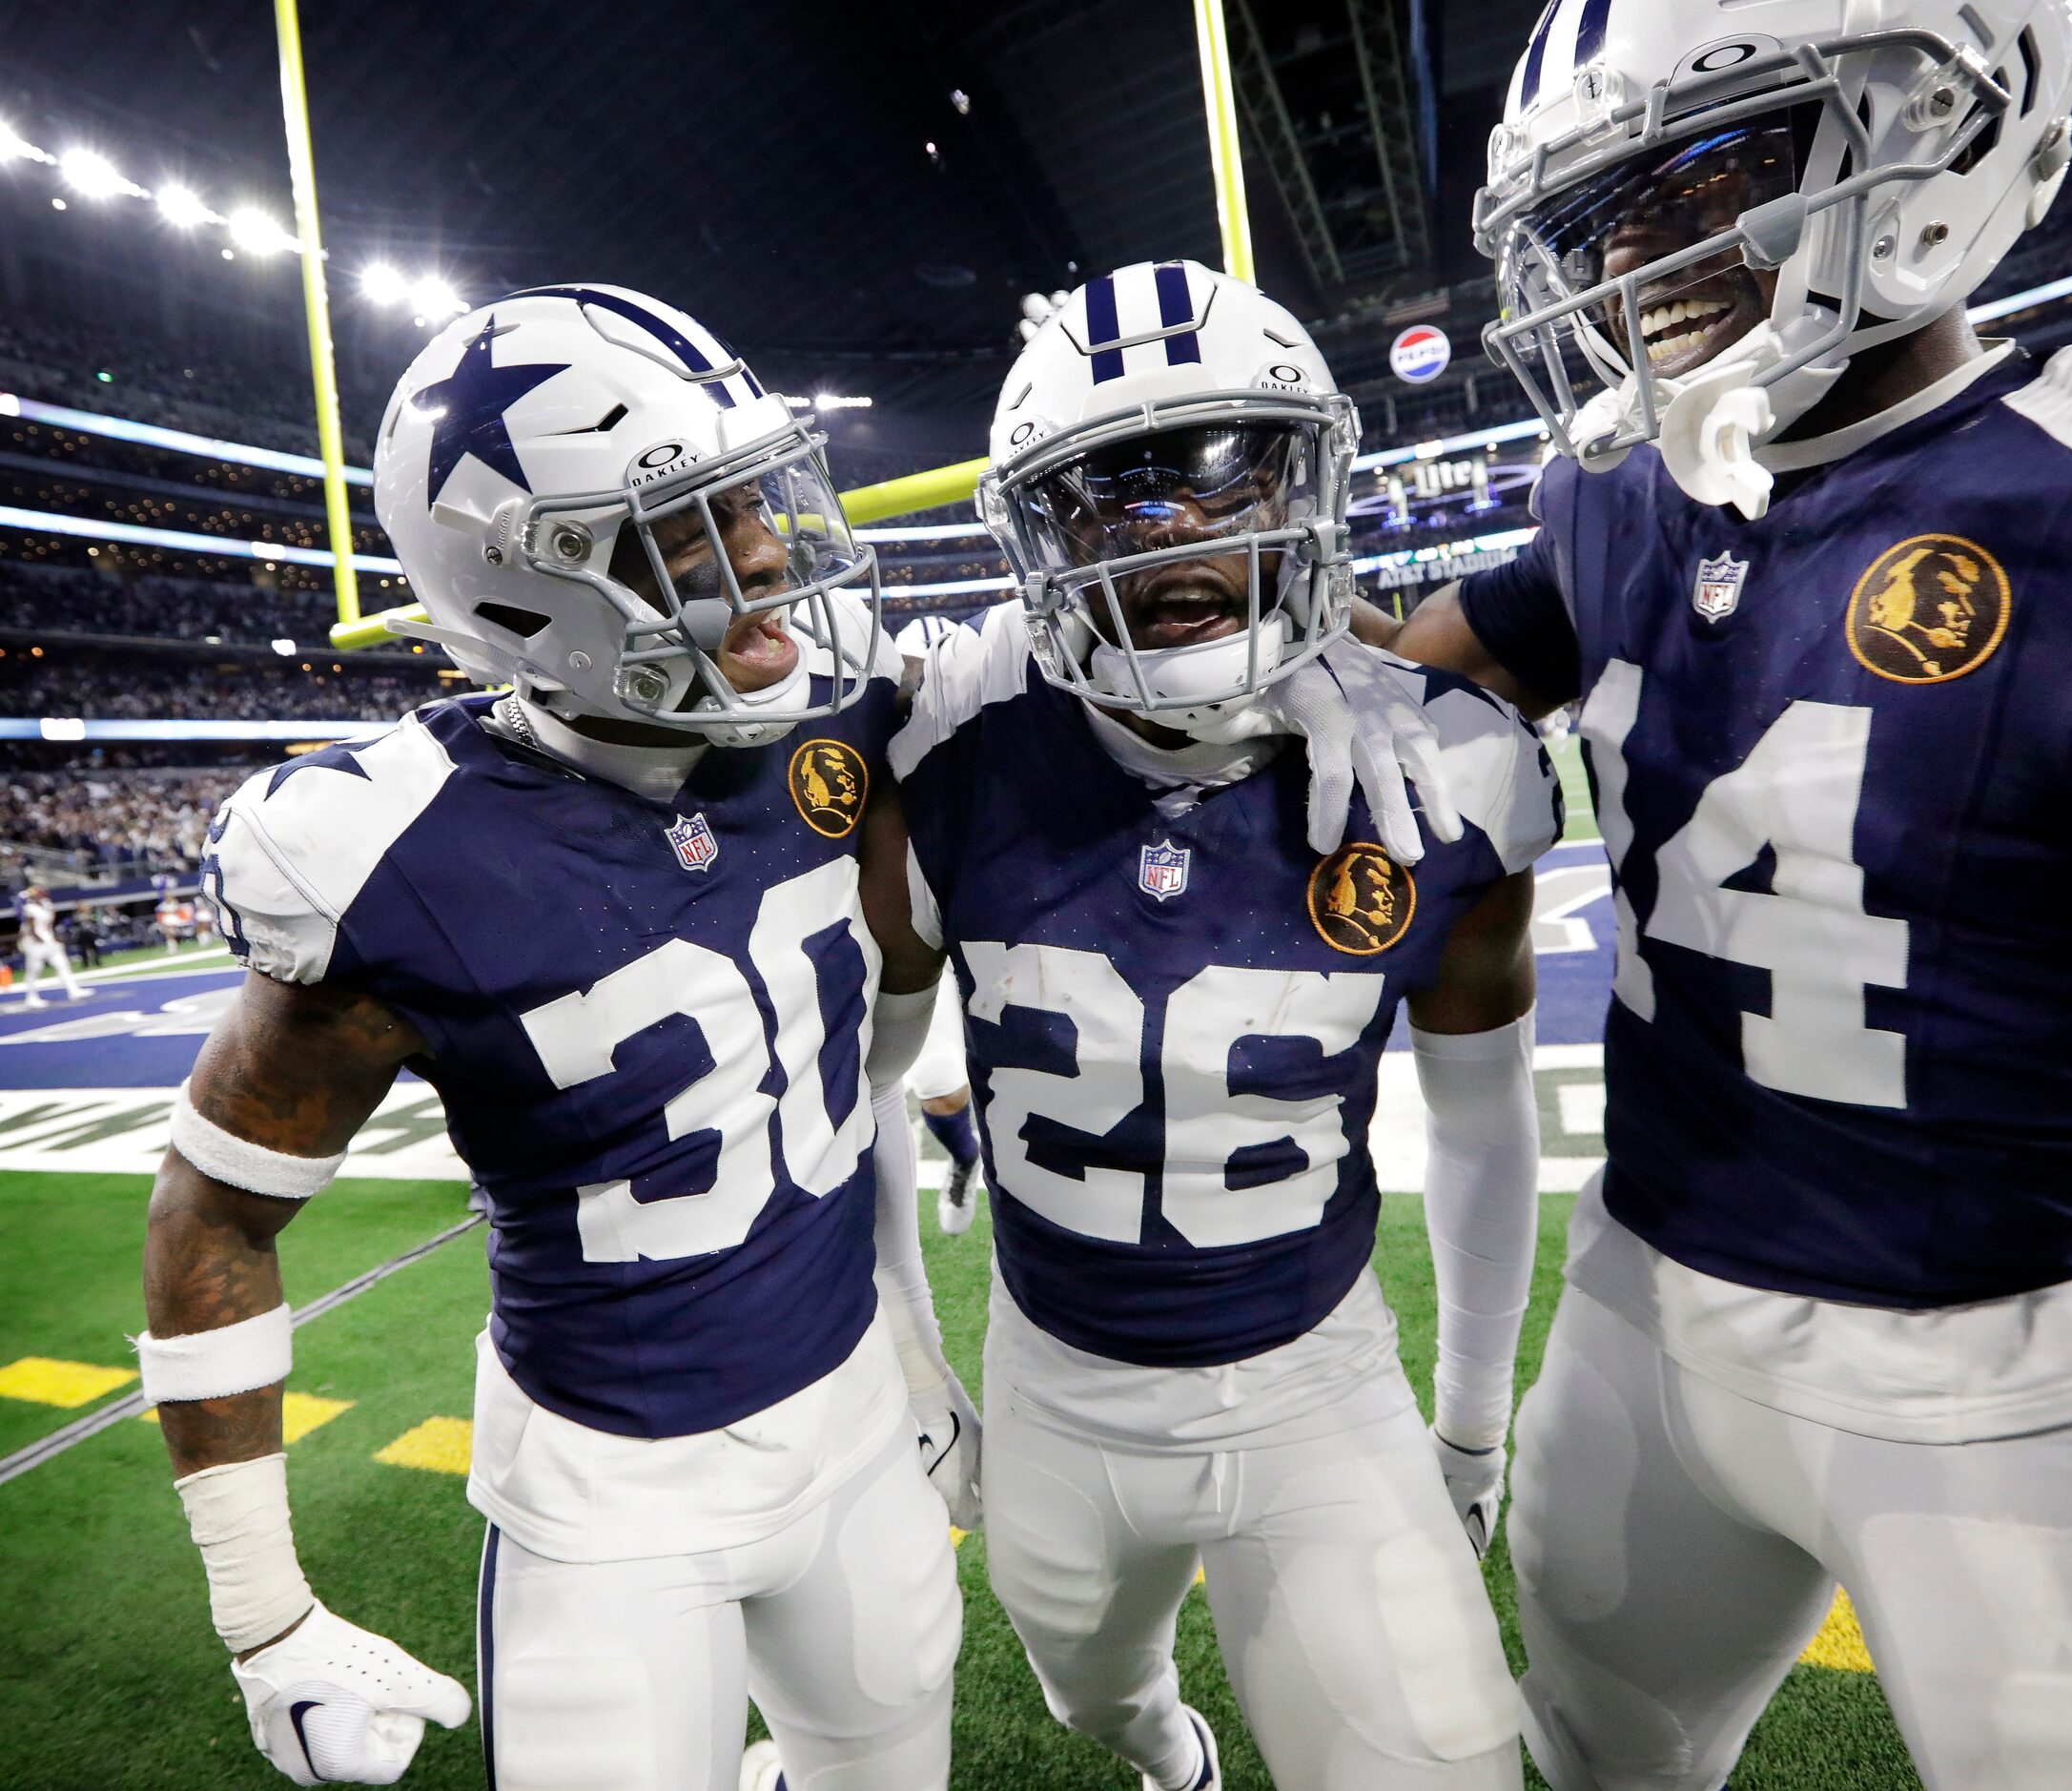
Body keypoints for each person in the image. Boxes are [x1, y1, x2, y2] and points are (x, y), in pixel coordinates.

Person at [1360, 4, 2072, 1787]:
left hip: (1995, 1377)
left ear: (1933, 117)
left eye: (1697, 167)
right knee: (1585, 1756)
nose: (1636, 251)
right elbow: (1439, 675)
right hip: (1640, 1308)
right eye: (1598, 213)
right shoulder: (1618, 494)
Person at [142, 286, 979, 1791]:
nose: (772, 553)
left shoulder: (838, 717)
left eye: (753, 503)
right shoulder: (395, 852)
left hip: (857, 1432)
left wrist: (912, 1351)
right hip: (606, 1501)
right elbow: (214, 1216)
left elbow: (857, 1098)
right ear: (536, 582)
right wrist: (263, 1617)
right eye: (696, 529)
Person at [890, 261, 1559, 1791]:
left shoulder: (1451, 764)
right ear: (1033, 538)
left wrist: (1468, 1423)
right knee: (1094, 1698)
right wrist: (910, 1356)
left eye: (1226, 471)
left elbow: (1482, 1111)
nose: (1180, 525)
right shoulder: (940, 733)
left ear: (1309, 479)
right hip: (1057, 1382)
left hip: (1322, 1386)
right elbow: (852, 1090)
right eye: (1109, 496)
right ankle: (1167, 1758)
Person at [891, 613, 987, 1236]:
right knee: (937, 1085)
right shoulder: (873, 739)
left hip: (981, 919)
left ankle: (972, 1157)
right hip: (905, 925)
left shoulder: (1003, 732)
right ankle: (964, 1156)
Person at [16, 882, 85, 1006]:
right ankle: (31, 997)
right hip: (34, 941)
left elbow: (49, 924)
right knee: (35, 968)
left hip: (48, 939)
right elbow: (29, 925)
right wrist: (38, 938)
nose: (42, 896)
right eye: (39, 893)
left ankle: (73, 990)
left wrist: (54, 937)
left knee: (62, 963)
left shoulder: (47, 905)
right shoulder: (29, 908)